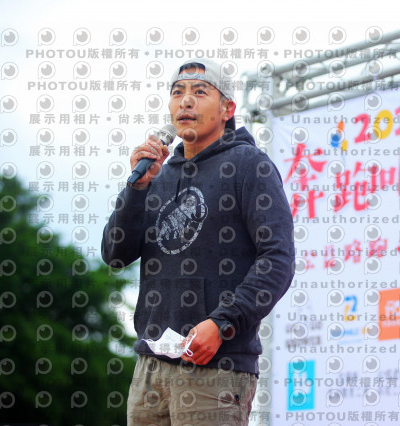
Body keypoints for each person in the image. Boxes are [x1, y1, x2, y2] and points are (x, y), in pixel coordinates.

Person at [101, 58, 295, 425]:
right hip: (150, 367)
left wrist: (222, 323)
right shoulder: (158, 176)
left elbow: (278, 259)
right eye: (178, 92)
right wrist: (137, 190)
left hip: (216, 365)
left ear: (227, 109)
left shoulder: (250, 165)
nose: (186, 101)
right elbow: (114, 254)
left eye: (200, 92)